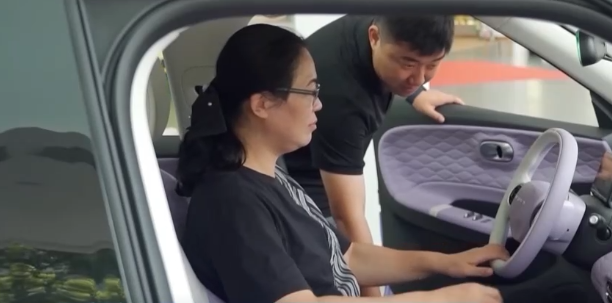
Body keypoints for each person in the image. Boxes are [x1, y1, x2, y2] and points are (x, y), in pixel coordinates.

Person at [176, 24, 507, 303]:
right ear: (262, 104)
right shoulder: (233, 202)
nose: (319, 104)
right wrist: (441, 299)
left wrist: (446, 264)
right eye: (310, 91)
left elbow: (348, 257)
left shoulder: (270, 176)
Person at [282, 15, 463, 296]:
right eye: (408, 64)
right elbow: (347, 217)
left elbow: (411, 65)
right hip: (300, 184)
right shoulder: (343, 99)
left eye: (432, 65)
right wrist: (374, 298)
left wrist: (416, 93)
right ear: (374, 37)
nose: (419, 78)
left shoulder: (385, 15)